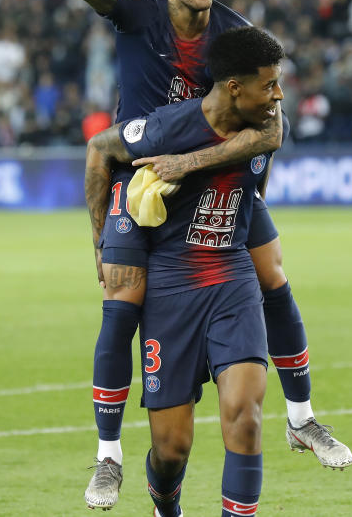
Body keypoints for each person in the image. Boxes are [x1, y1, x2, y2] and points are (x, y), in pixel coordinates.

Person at [67, 0, 352, 510]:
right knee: (121, 301)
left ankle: (301, 414)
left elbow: (271, 126)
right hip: (141, 177)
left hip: (212, 177)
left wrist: (202, 165)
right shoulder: (138, 10)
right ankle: (108, 458)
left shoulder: (234, 34)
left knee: (271, 271)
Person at [85, 26, 284, 517]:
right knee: (171, 450)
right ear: (235, 87)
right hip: (171, 290)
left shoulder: (267, 125)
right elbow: (99, 149)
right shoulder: (167, 127)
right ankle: (164, 507)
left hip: (232, 283)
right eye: (270, 85)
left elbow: (257, 190)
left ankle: (301, 416)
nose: (279, 94)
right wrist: (100, 241)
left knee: (245, 417)